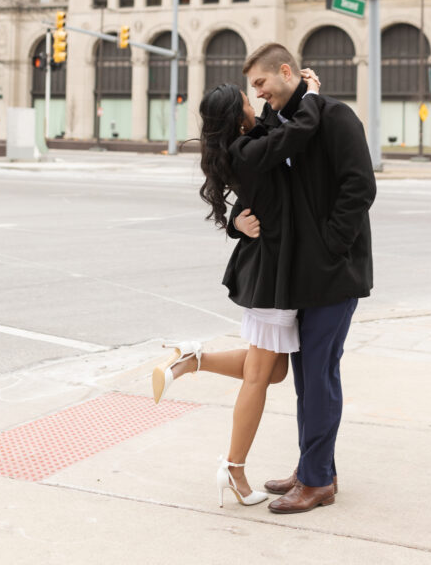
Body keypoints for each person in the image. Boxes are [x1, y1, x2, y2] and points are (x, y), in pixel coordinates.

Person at [151, 68, 323, 508]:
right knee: (260, 378)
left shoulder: (242, 145)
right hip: (270, 274)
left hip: (270, 269)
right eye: (249, 100)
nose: (257, 101)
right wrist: (313, 96)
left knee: (275, 371)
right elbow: (296, 133)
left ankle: (193, 359)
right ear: (238, 115)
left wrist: (235, 220)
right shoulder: (249, 149)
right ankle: (234, 468)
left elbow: (270, 132)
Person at [231, 42, 376, 514]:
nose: (258, 95)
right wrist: (237, 219)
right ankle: (315, 467)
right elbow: (257, 178)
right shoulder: (282, 124)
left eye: (261, 84)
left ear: (286, 71)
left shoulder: (335, 117)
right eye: (253, 88)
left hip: (334, 272)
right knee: (305, 380)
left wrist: (332, 245)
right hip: (299, 274)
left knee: (318, 375)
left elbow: (360, 187)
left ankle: (317, 483)